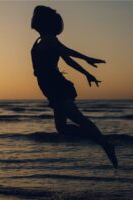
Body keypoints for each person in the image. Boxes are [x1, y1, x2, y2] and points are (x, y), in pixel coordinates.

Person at [31, 5, 118, 168]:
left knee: (78, 119)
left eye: (36, 16)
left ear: (42, 21)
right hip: (51, 87)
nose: (33, 18)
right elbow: (68, 60)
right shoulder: (44, 39)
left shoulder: (49, 39)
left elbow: (67, 52)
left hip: (56, 86)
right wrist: (87, 73)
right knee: (62, 128)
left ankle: (105, 143)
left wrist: (87, 58)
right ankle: (99, 139)